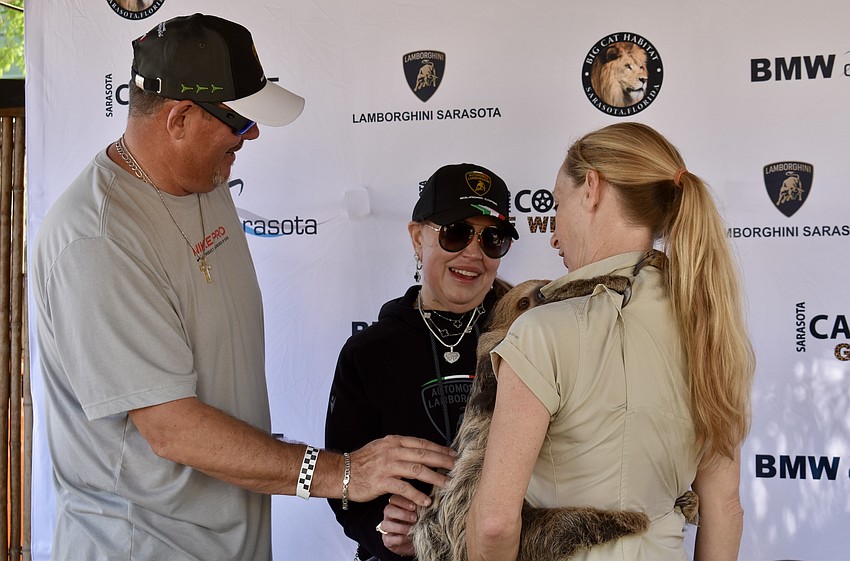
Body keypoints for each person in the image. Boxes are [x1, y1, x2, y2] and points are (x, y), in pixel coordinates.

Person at [32, 13, 455, 561]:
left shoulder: (202, 177)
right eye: (238, 120)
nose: (252, 134)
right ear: (179, 118)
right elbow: (173, 431)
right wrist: (344, 473)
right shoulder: (97, 240)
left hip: (226, 538)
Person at [466, 122, 755, 561]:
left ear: (592, 190)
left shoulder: (540, 331)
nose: (553, 234)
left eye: (557, 205)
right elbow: (725, 509)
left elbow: (493, 525)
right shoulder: (711, 336)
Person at [325, 163, 520, 560]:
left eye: (492, 239)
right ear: (417, 238)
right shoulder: (368, 352)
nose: (473, 253)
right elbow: (343, 478)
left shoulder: (524, 337)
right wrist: (384, 526)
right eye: (456, 232)